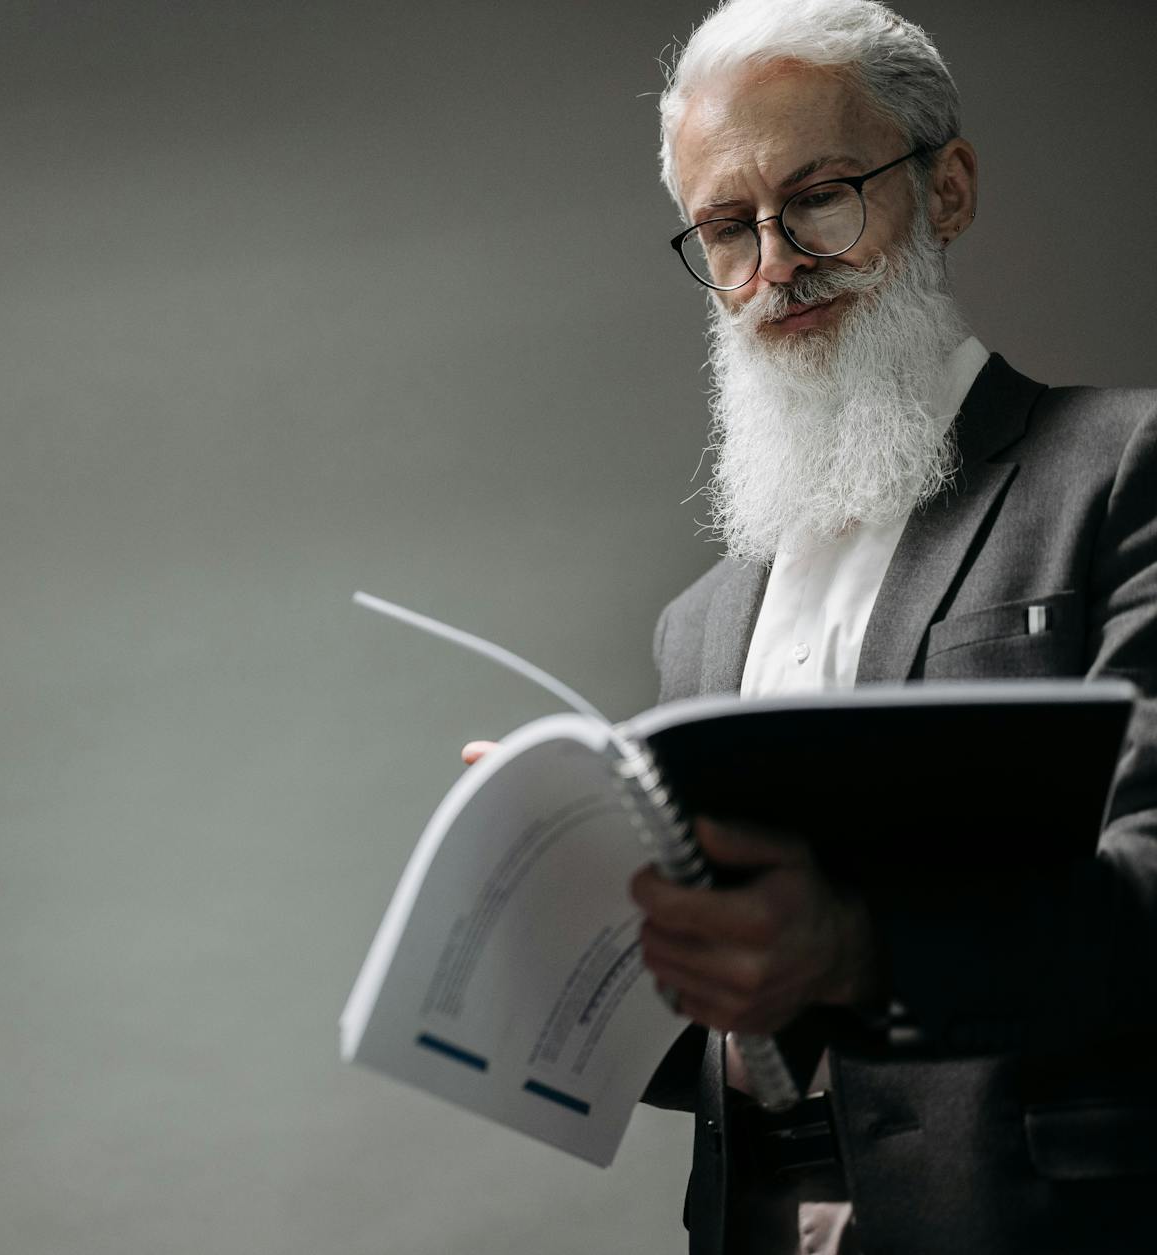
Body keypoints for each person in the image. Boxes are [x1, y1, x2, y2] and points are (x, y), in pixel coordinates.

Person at [462, 2, 1157, 1251]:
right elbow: (721, 1044)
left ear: (944, 188)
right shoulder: (698, 623)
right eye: (728, 228)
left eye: (819, 196)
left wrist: (854, 951)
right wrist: (574, 921)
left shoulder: (1118, 466)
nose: (775, 262)